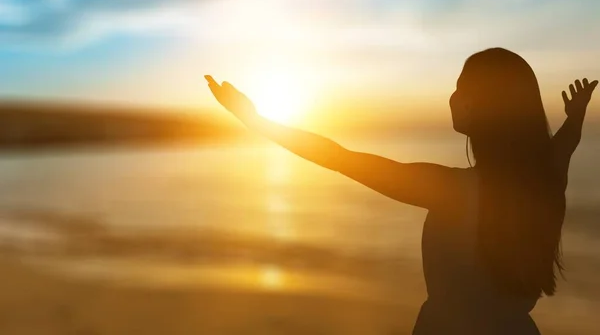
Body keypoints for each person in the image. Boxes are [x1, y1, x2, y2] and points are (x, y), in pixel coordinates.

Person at [205, 47, 597, 334]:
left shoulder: (451, 190)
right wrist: (576, 116)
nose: (454, 97)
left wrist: (254, 121)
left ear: (485, 106)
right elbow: (565, 143)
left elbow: (340, 157)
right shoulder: (546, 180)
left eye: (463, 88)